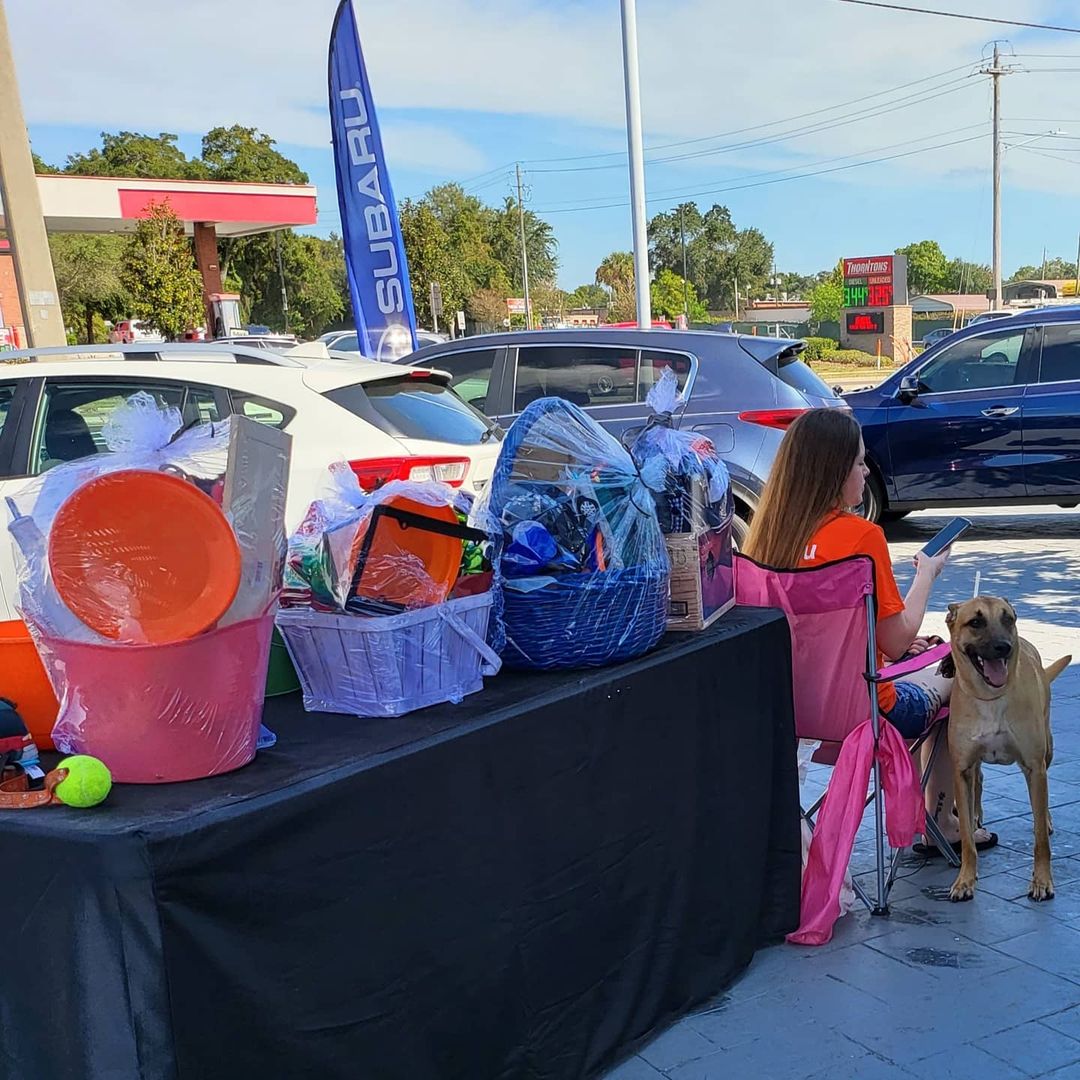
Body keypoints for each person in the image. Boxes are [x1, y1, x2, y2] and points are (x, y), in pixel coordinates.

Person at [743, 407, 997, 854]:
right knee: (953, 669)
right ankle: (940, 821)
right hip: (864, 716)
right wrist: (927, 574)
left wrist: (885, 649)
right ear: (834, 470)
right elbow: (897, 639)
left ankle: (936, 817)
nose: (865, 472)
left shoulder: (762, 540)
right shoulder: (860, 537)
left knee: (920, 657)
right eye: (860, 463)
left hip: (782, 713)